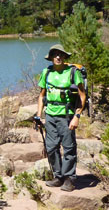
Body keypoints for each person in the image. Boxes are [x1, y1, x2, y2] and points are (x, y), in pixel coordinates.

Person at [35, 44, 87, 192]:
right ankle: (58, 177)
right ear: (51, 57)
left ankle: (69, 178)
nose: (58, 57)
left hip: (67, 115)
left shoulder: (72, 72)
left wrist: (77, 116)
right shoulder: (47, 72)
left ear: (64, 57)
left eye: (61, 54)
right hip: (50, 115)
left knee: (69, 147)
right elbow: (41, 95)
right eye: (55, 54)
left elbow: (82, 96)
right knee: (51, 148)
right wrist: (39, 115)